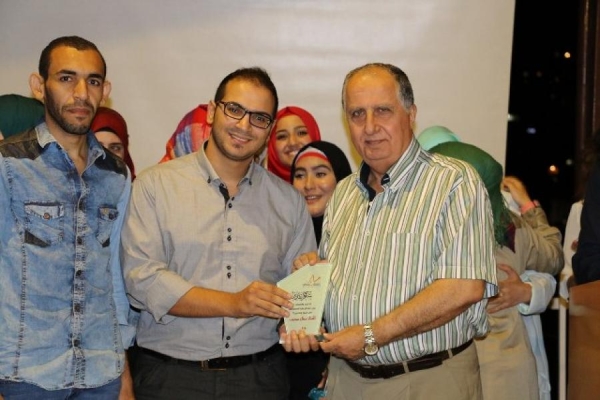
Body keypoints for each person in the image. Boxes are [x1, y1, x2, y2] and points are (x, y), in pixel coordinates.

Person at [282, 63, 498, 400]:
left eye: (382, 110)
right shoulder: (344, 193)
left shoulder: (454, 182)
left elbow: (463, 287)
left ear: (411, 114)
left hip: (427, 380)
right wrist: (307, 302)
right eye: (357, 114)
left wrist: (371, 336)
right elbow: (337, 288)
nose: (370, 127)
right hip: (346, 380)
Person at [121, 67, 317, 400]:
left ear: (269, 129)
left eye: (259, 118)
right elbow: (142, 281)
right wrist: (234, 303)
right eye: (235, 109)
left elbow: (296, 296)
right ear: (213, 111)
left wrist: (302, 314)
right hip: (172, 378)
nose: (244, 126)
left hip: (259, 378)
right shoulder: (155, 186)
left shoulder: (288, 202)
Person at [0, 36, 135, 399]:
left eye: (93, 81)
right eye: (66, 78)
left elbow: (113, 279)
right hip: (24, 376)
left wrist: (121, 368)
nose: (81, 93)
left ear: (105, 91)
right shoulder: (8, 164)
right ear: (38, 86)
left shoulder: (117, 174)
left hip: (100, 375)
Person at [430, 143, 563, 400]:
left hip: (443, 372)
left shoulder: (418, 234)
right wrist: (530, 209)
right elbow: (553, 256)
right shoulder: (511, 227)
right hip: (507, 373)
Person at [287, 141, 352, 399]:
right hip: (290, 374)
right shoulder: (280, 238)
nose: (309, 184)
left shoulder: (362, 238)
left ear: (342, 180)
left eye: (321, 173)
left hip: (349, 371)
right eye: (299, 175)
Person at [265, 106, 322, 181]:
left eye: (301, 133)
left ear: (314, 135)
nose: (292, 143)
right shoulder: (257, 184)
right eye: (282, 136)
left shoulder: (334, 184)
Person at [91, 106, 136, 179]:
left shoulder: (139, 186)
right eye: (97, 147)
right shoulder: (71, 184)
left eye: (115, 148)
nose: (106, 157)